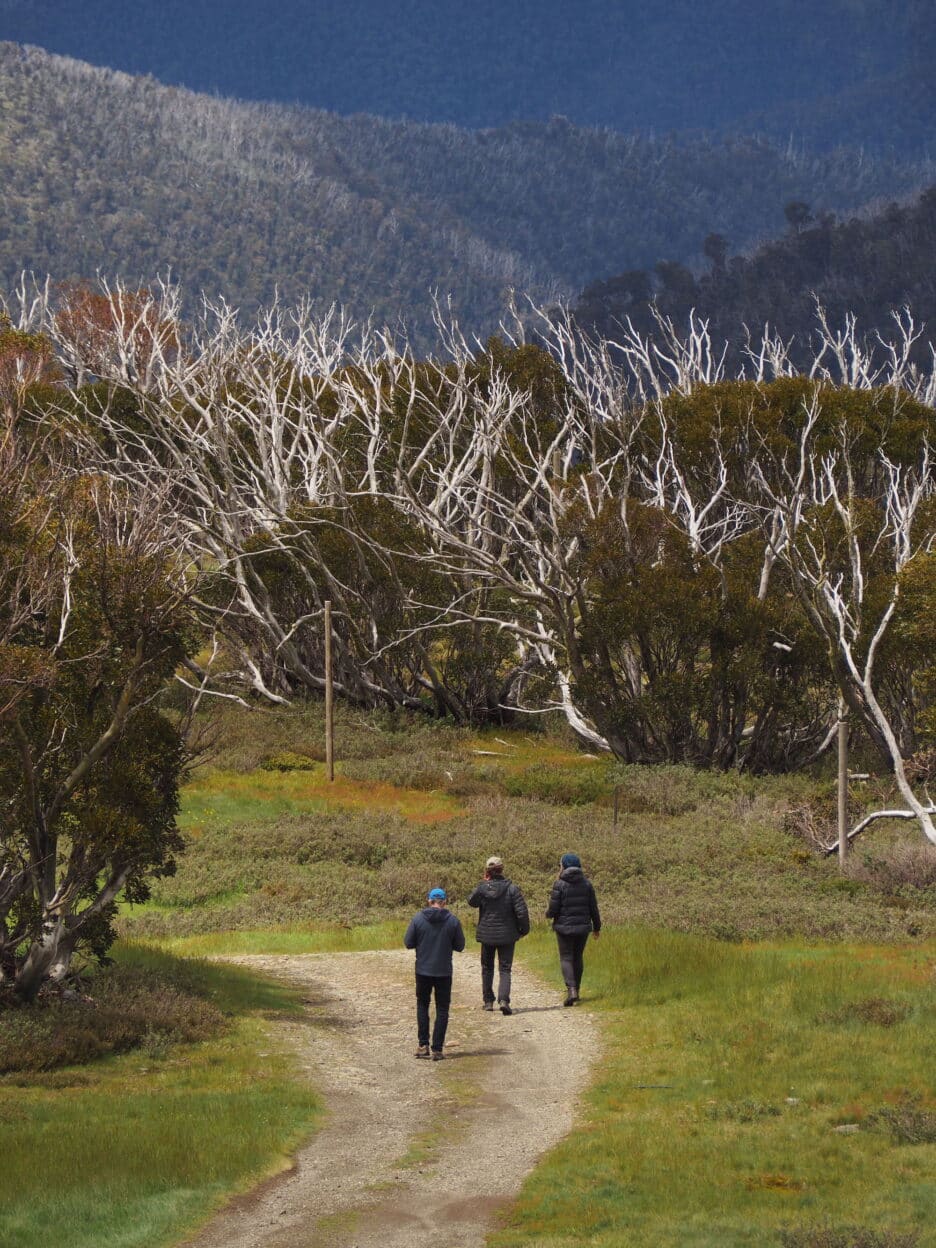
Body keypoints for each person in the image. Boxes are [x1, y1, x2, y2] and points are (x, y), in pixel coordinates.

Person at [403, 887, 465, 1060]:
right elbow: (460, 946)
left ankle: (423, 1045)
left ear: (429, 901)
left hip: (422, 970)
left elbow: (408, 942)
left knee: (423, 1005)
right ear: (444, 902)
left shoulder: (418, 919)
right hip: (444, 971)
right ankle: (437, 1049)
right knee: (442, 1008)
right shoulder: (452, 920)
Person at [467, 855, 530, 1015]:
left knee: (487, 968)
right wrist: (524, 930)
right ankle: (503, 1000)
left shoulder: (482, 888)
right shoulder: (512, 889)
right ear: (502, 869)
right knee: (505, 969)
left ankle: (488, 1001)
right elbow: (521, 912)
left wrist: (483, 883)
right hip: (507, 935)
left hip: (487, 935)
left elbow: (471, 901)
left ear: (487, 871)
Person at [545, 852, 601, 1006]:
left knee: (566, 957)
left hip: (564, 928)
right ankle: (578, 991)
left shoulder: (559, 884)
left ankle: (571, 990)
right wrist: (597, 927)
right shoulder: (587, 884)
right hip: (583, 928)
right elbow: (593, 908)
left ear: (564, 866)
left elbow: (553, 908)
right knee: (578, 957)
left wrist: (548, 914)